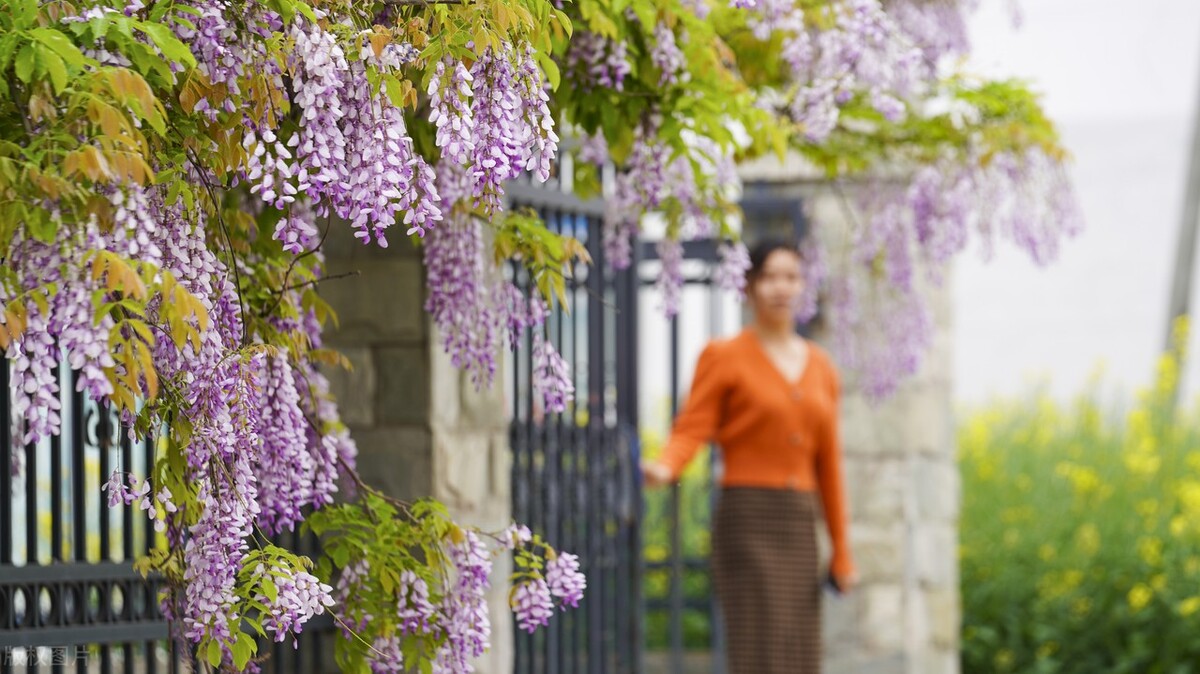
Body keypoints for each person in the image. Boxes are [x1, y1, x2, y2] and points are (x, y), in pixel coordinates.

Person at [641, 238, 856, 674]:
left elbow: (828, 465)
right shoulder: (724, 357)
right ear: (750, 286)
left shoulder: (821, 367)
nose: (781, 287)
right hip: (747, 519)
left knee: (799, 651)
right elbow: (692, 426)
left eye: (791, 277)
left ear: (803, 287)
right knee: (760, 647)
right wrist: (666, 466)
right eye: (770, 277)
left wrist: (841, 551)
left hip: (798, 523)